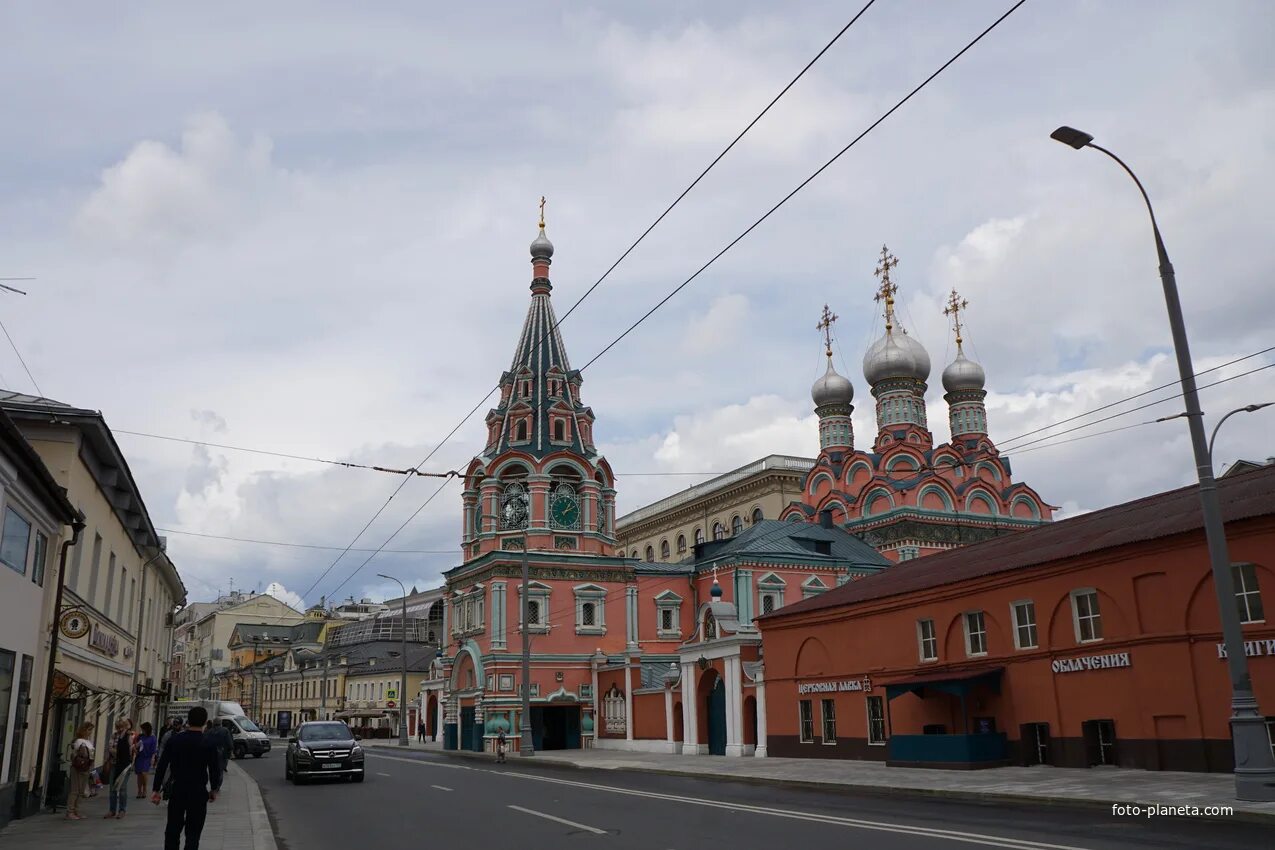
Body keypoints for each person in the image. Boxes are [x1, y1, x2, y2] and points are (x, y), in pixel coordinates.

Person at [152, 706, 222, 850]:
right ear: (204, 722)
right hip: (198, 791)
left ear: (188, 720)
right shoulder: (208, 742)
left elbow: (162, 765)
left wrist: (156, 789)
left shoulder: (176, 740)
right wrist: (214, 789)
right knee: (193, 833)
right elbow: (215, 769)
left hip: (178, 789)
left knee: (172, 829)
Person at [65, 722, 95, 820]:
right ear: (84, 730)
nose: (90, 732)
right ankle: (70, 811)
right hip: (78, 768)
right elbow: (76, 753)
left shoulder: (88, 741)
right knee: (75, 790)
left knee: (81, 791)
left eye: (91, 730)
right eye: (89, 730)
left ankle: (76, 810)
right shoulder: (79, 741)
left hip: (86, 768)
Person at [105, 718, 134, 818]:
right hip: (114, 764)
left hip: (125, 766)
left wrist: (117, 752)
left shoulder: (128, 736)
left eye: (121, 727)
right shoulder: (114, 735)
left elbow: (130, 751)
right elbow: (110, 748)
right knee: (112, 788)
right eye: (118, 727)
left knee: (122, 788)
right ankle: (112, 810)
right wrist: (118, 752)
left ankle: (122, 810)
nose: (120, 729)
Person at [134, 722, 158, 799]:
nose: (142, 731)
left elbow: (154, 749)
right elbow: (136, 746)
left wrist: (153, 758)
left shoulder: (153, 737)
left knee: (144, 773)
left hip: (147, 757)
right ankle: (139, 791)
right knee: (139, 774)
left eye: (143, 730)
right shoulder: (141, 737)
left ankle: (145, 789)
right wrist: (136, 748)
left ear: (147, 729)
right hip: (140, 756)